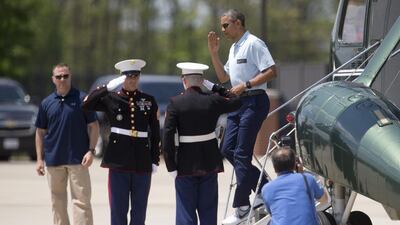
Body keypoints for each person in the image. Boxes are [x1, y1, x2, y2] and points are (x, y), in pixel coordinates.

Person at [207, 9, 278, 224]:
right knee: (227, 149)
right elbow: (223, 77)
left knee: (241, 153)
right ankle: (264, 186)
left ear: (238, 23)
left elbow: (272, 71)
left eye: (226, 25)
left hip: (254, 100)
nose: (223, 30)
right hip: (238, 103)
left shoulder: (254, 43)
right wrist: (214, 53)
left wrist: (245, 85)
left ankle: (243, 204)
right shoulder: (234, 48)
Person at [82, 59, 161, 225]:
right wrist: (107, 87)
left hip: (142, 161)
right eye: (128, 77)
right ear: (122, 78)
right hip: (118, 161)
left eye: (135, 76)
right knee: (118, 210)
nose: (132, 80)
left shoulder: (148, 100)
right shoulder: (111, 98)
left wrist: (154, 159)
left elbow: (154, 132)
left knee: (139, 212)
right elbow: (87, 104)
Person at [163, 62, 242, 225]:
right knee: (208, 213)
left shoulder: (176, 102)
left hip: (185, 164)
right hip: (209, 162)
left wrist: (171, 165)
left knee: (186, 213)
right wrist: (215, 87)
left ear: (183, 80)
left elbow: (168, 137)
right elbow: (237, 100)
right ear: (202, 81)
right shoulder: (212, 100)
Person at [35, 63, 99, 225]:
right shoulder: (46, 103)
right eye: (59, 76)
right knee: (57, 203)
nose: (62, 79)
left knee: (82, 202)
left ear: (71, 77)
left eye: (65, 76)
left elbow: (94, 126)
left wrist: (91, 151)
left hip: (79, 160)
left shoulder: (83, 99)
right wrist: (39, 159)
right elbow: (40, 132)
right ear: (53, 79)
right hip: (54, 160)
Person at [261, 147, 328, 225]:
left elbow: (272, 213)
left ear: (274, 168)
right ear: (295, 164)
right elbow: (324, 199)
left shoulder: (266, 189)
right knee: (325, 218)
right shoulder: (307, 179)